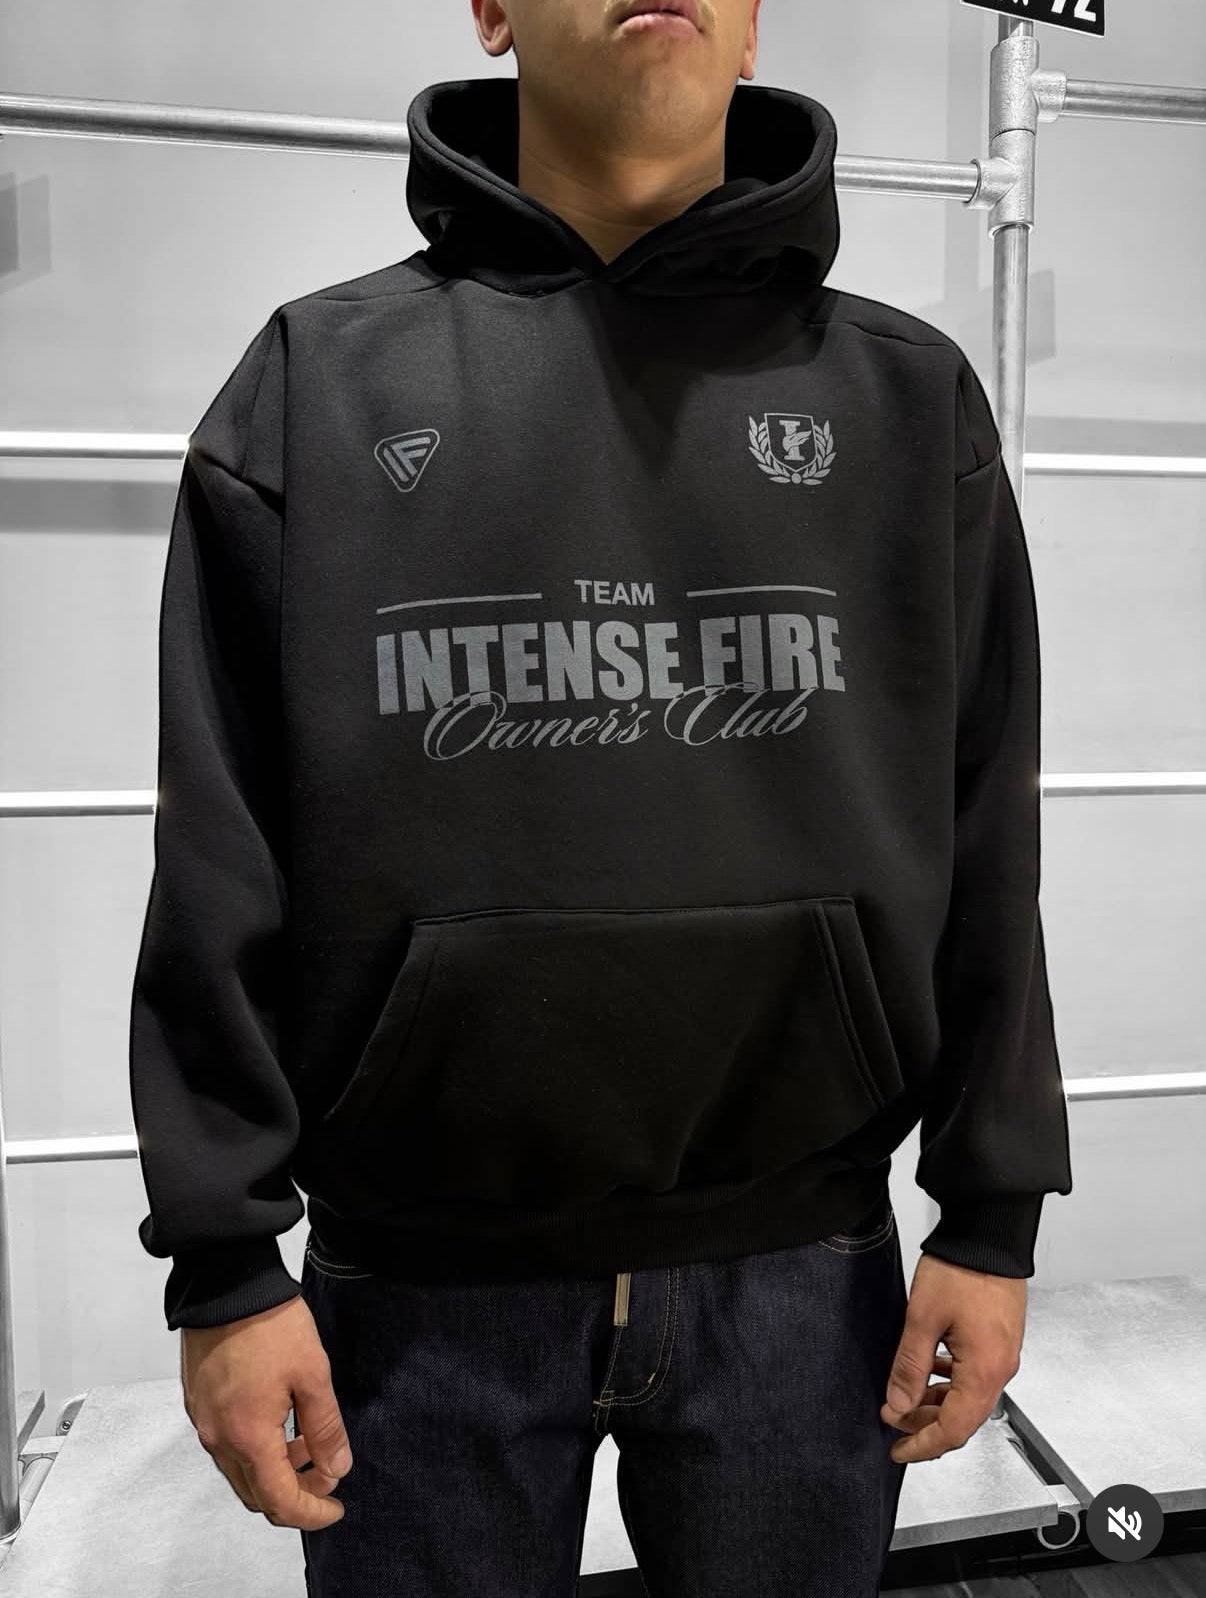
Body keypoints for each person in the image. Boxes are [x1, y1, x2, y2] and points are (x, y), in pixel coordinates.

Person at [128, 1, 1074, 1593]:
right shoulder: (315, 387)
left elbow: (989, 832)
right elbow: (217, 843)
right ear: (491, 9)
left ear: (756, 23)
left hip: (802, 1277)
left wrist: (990, 1215)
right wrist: (224, 1263)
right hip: (419, 1293)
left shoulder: (904, 404)